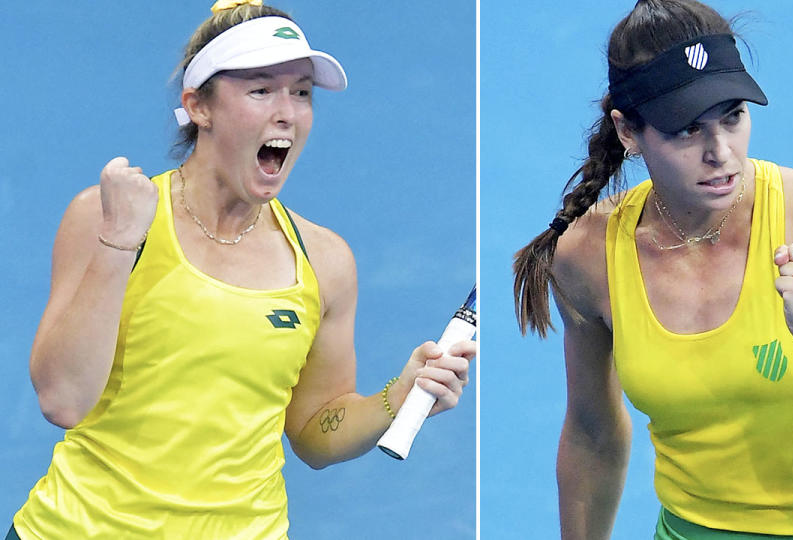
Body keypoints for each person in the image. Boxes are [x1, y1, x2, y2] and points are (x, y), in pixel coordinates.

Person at [9, 1, 474, 538]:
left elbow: (313, 434)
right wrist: (119, 243)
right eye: (261, 90)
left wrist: (395, 397)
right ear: (198, 107)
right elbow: (62, 399)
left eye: (301, 92)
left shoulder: (324, 261)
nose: (288, 112)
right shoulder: (107, 216)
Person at [512, 0, 793, 538]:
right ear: (629, 132)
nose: (721, 152)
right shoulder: (586, 254)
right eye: (686, 130)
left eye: (733, 116)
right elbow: (592, 435)